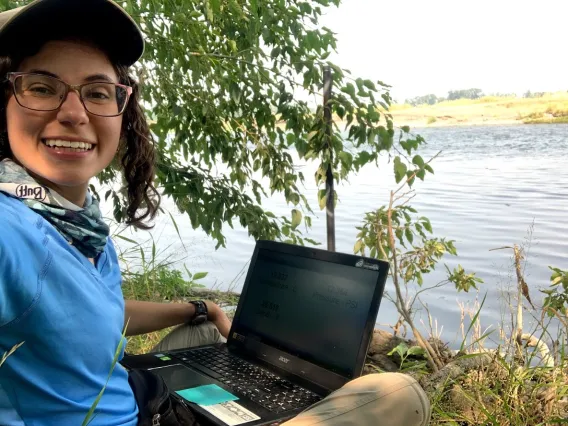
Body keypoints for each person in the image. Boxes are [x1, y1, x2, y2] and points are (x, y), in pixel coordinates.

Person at [0, 1, 431, 425]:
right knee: (399, 391)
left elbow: (81, 313)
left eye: (96, 92)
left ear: (122, 108)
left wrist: (195, 307)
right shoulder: (11, 229)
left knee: (209, 333)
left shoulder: (74, 222)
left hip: (145, 398)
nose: (74, 113)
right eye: (41, 87)